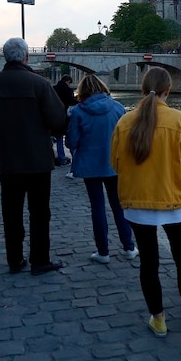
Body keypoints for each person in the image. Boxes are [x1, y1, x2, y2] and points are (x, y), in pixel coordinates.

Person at [110, 66, 181, 337]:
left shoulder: (124, 121)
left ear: (143, 89)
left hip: (136, 203)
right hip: (171, 202)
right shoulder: (178, 120)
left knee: (148, 263)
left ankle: (158, 319)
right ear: (168, 90)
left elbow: (115, 163)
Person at [0, 38, 67, 275]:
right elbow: (58, 121)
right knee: (39, 212)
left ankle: (14, 259)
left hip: (8, 159)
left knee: (12, 211)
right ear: (26, 57)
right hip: (38, 159)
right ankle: (39, 259)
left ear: (5, 57)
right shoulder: (40, 84)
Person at [65, 74, 138, 264]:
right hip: (115, 165)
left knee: (97, 207)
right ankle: (129, 247)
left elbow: (71, 141)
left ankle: (103, 251)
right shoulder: (118, 108)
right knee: (118, 206)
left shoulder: (79, 111)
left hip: (90, 167)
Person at [53, 74, 76, 166]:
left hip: (56, 117)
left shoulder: (53, 88)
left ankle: (61, 157)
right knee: (70, 137)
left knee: (58, 138)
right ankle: (74, 158)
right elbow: (71, 102)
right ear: (68, 82)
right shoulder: (68, 90)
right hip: (66, 117)